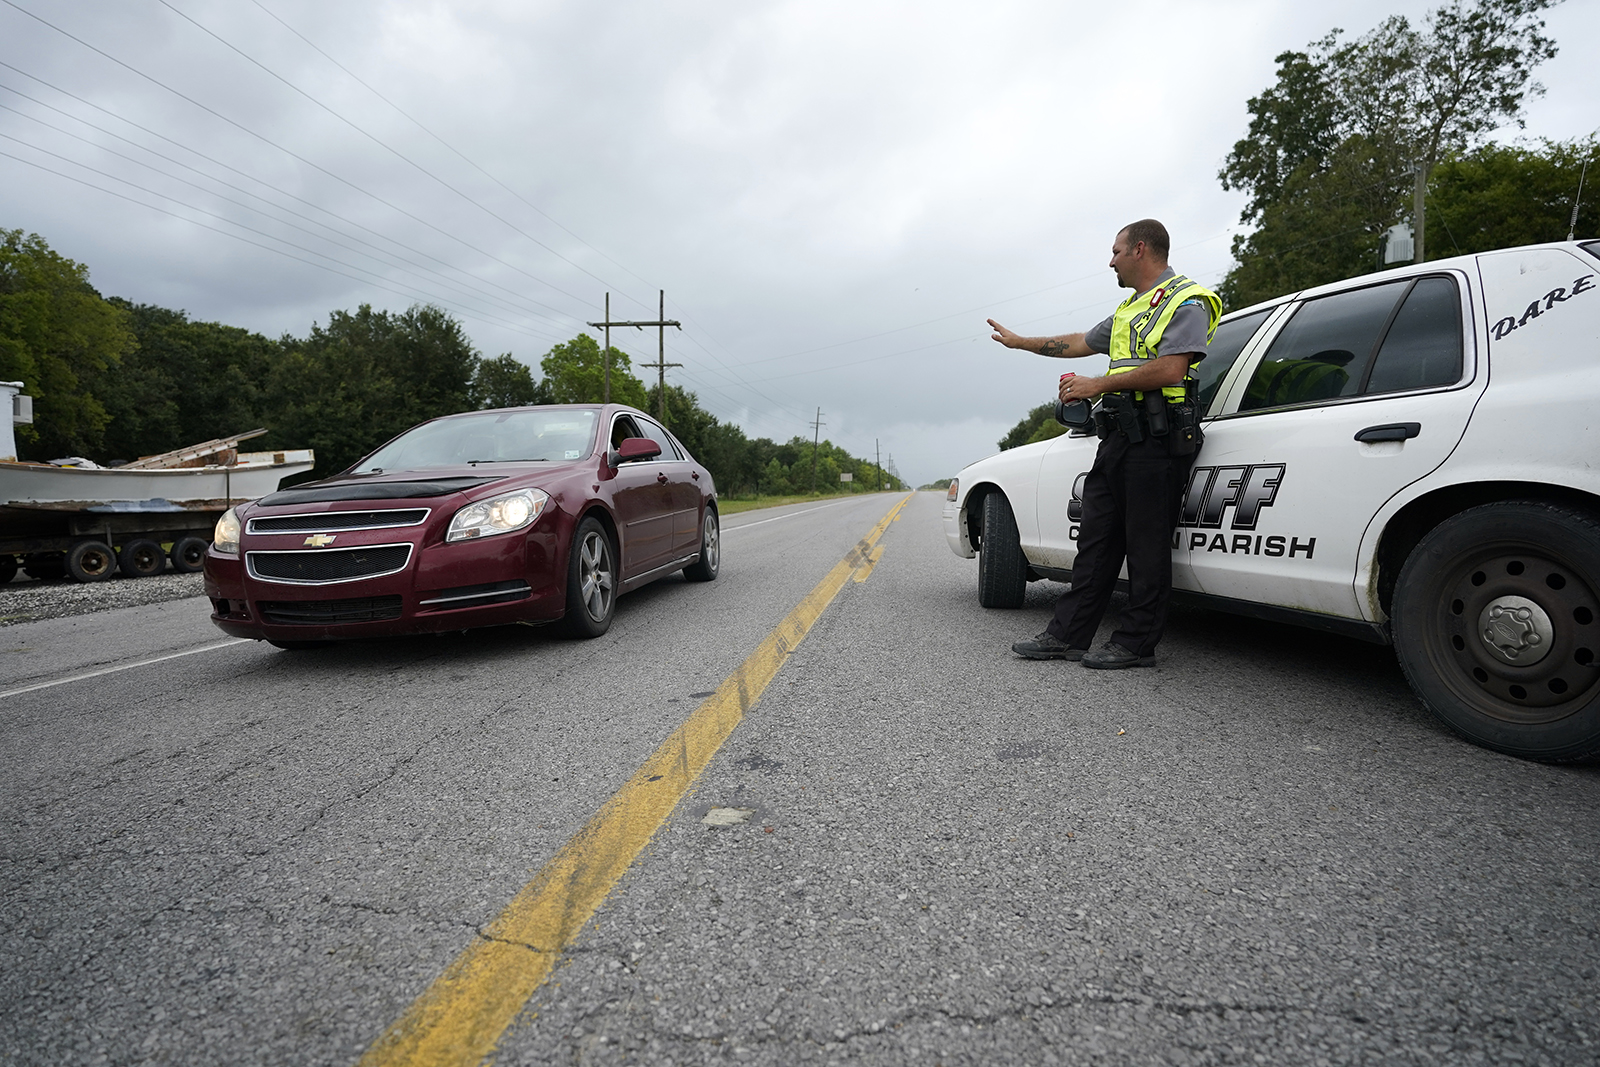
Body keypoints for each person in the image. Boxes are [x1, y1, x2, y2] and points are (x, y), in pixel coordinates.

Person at [987, 219, 1222, 669]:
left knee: (1146, 547)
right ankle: (1067, 636)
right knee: (1095, 542)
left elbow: (1172, 369)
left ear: (1139, 249)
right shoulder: (1131, 309)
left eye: (1115, 251)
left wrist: (1096, 384)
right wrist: (1020, 343)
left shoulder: (1188, 301)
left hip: (1157, 440)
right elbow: (1078, 341)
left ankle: (1135, 644)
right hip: (1116, 438)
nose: (1109, 261)